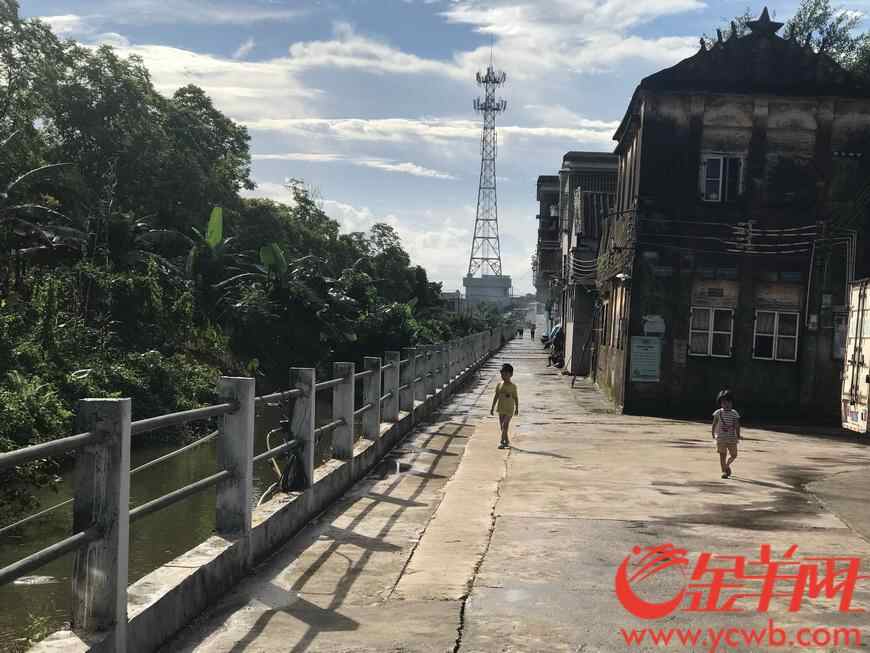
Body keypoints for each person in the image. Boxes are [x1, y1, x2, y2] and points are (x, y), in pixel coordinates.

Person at [712, 389, 741, 478]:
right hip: (721, 438)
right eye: (724, 402)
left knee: (734, 455)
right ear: (720, 403)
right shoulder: (718, 412)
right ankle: (723, 471)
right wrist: (713, 432)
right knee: (722, 455)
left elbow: (737, 425)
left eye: (729, 402)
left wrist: (738, 435)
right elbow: (714, 423)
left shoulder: (734, 413)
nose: (727, 404)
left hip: (732, 439)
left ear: (732, 402)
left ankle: (727, 465)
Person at [490, 363, 519, 449]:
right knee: (502, 426)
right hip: (501, 408)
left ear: (511, 374)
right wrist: (492, 407)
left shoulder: (513, 386)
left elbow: (516, 397)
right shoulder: (499, 384)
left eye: (506, 374)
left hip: (509, 409)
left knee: (504, 425)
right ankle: (506, 440)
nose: (503, 376)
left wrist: (517, 408)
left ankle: (502, 442)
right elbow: (496, 396)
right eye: (502, 374)